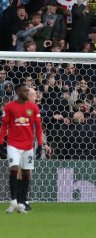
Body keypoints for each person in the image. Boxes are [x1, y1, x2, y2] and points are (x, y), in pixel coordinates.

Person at [0, 83, 43, 213]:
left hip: (28, 145)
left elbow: (39, 127)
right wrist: (1, 142)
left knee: (26, 172)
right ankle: (15, 200)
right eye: (26, 91)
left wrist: (40, 144)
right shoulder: (10, 106)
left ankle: (22, 202)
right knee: (14, 169)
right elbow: (4, 125)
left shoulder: (33, 107)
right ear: (19, 92)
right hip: (13, 144)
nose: (28, 94)